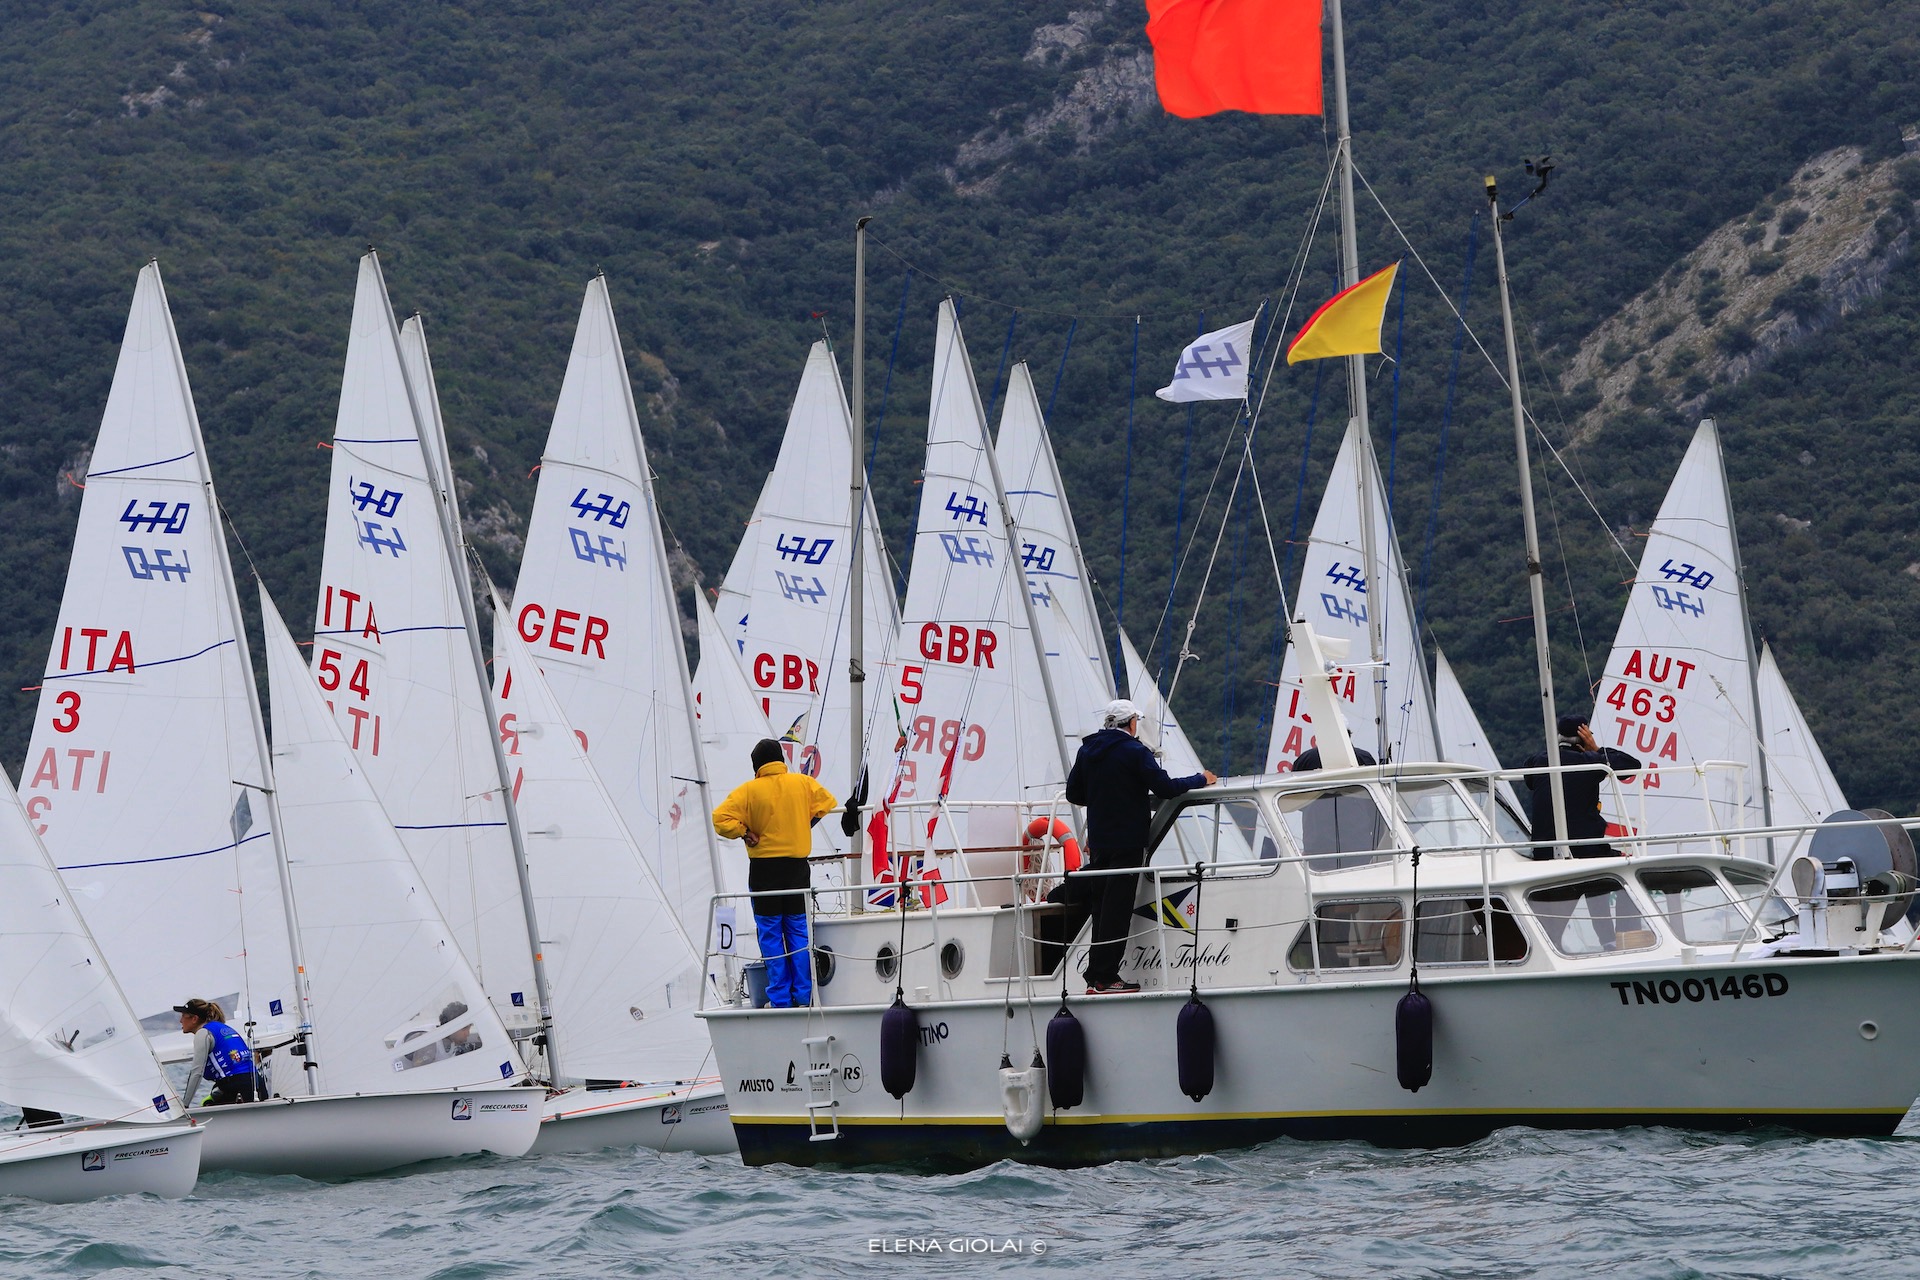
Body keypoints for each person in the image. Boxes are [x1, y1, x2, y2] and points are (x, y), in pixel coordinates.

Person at [1060, 699, 1218, 994]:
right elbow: (1166, 789)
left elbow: (1073, 793)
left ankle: (1095, 976)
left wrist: (1101, 802)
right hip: (1127, 842)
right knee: (1117, 910)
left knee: (1101, 908)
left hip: (1099, 842)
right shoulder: (1135, 751)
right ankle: (1106, 978)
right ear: (1132, 723)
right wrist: (1201, 778)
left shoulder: (1087, 750)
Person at [712, 738, 837, 1008]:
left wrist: (745, 833)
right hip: (796, 868)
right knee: (798, 931)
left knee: (770, 934)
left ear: (756, 765)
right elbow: (827, 802)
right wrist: (805, 824)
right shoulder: (803, 783)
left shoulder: (747, 791)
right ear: (780, 760)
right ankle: (804, 995)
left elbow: (720, 819)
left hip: (764, 870)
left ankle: (779, 998)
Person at [1523, 713, 1642, 861]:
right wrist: (1595, 748)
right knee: (1629, 858)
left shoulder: (1536, 761)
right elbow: (1632, 766)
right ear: (1584, 739)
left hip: (1543, 852)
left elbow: (1529, 782)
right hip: (1587, 850)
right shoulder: (1590, 761)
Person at [175, 997, 257, 1107]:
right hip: (256, 1081)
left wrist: (184, 1105)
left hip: (237, 1084)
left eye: (183, 1016)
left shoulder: (203, 1033)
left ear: (194, 1019)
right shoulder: (222, 1027)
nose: (180, 1021)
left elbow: (197, 1072)